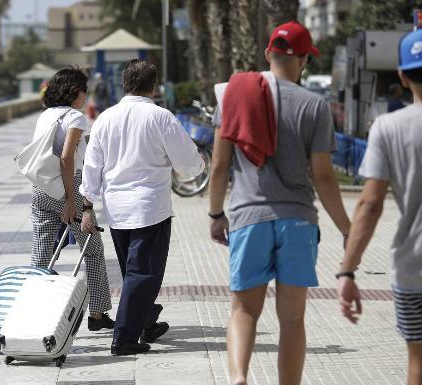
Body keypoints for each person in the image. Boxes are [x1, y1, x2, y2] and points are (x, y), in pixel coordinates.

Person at [208, 22, 350, 385]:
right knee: (292, 320)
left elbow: (220, 164)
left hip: (248, 217)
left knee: (243, 311)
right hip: (298, 221)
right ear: (304, 60)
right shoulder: (315, 105)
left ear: (268, 54)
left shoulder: (234, 96)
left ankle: (239, 378)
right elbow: (323, 176)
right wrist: (348, 230)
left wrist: (215, 213)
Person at [80, 59, 205, 355]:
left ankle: (146, 320)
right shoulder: (160, 117)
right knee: (143, 275)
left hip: (116, 210)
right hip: (150, 208)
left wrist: (88, 205)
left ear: (124, 83)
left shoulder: (105, 119)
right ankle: (124, 339)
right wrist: (198, 165)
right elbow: (188, 164)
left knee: (133, 272)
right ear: (154, 86)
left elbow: (92, 166)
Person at [337, 29, 422, 385]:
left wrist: (348, 271)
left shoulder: (388, 127)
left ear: (401, 76)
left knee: (418, 363)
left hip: (414, 268)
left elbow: (370, 204)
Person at [29, 68, 114, 331]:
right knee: (93, 250)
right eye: (84, 90)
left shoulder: (45, 116)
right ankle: (98, 314)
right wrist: (70, 199)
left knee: (41, 254)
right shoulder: (75, 117)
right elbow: (66, 158)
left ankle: (32, 312)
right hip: (69, 187)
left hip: (41, 188)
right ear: (75, 91)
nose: (85, 96)